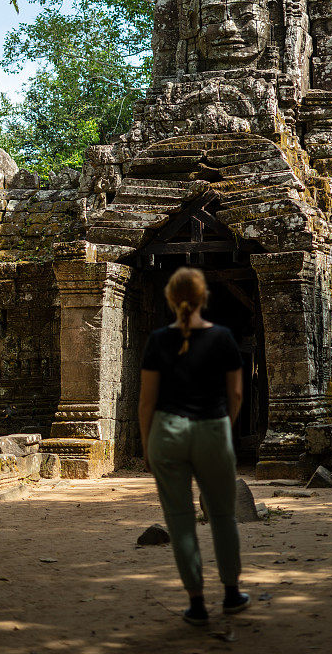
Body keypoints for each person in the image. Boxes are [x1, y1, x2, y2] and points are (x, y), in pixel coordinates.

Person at [139, 266, 251, 626]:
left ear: (171, 300)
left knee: (180, 521)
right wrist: (222, 427)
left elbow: (146, 402)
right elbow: (235, 394)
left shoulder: (157, 341)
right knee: (222, 516)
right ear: (203, 298)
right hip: (212, 430)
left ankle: (197, 603)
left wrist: (147, 445)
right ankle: (232, 594)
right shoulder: (223, 338)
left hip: (167, 433)